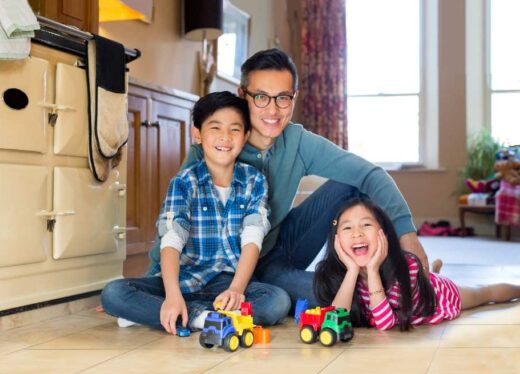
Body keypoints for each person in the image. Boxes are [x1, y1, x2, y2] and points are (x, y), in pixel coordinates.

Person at [148, 48, 430, 313]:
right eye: (261, 97)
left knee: (351, 184)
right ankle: (386, 291)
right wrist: (152, 281)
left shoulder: (297, 141)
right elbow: (173, 219)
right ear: (243, 95)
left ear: (294, 97)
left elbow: (370, 173)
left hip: (280, 243)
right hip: (236, 268)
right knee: (343, 300)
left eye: (283, 97)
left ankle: (406, 276)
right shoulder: (214, 146)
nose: (273, 110)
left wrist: (408, 237)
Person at [101, 92, 289, 334]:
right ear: (197, 134)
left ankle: (169, 314)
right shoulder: (184, 182)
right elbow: (171, 240)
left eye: (234, 130)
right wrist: (172, 294)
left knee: (278, 301)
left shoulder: (255, 180)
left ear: (246, 137)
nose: (225, 137)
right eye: (215, 128)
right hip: (183, 280)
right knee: (113, 293)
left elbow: (253, 238)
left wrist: (237, 289)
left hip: (229, 283)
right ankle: (198, 316)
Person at [314, 197, 520, 330]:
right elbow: (335, 319)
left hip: (436, 295)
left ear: (383, 233)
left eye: (366, 225)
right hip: (418, 284)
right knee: (429, 275)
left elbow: (385, 324)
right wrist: (352, 270)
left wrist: (373, 269)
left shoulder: (406, 268)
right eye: (347, 228)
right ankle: (435, 270)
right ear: (336, 239)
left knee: (483, 294)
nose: (357, 233)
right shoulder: (338, 273)